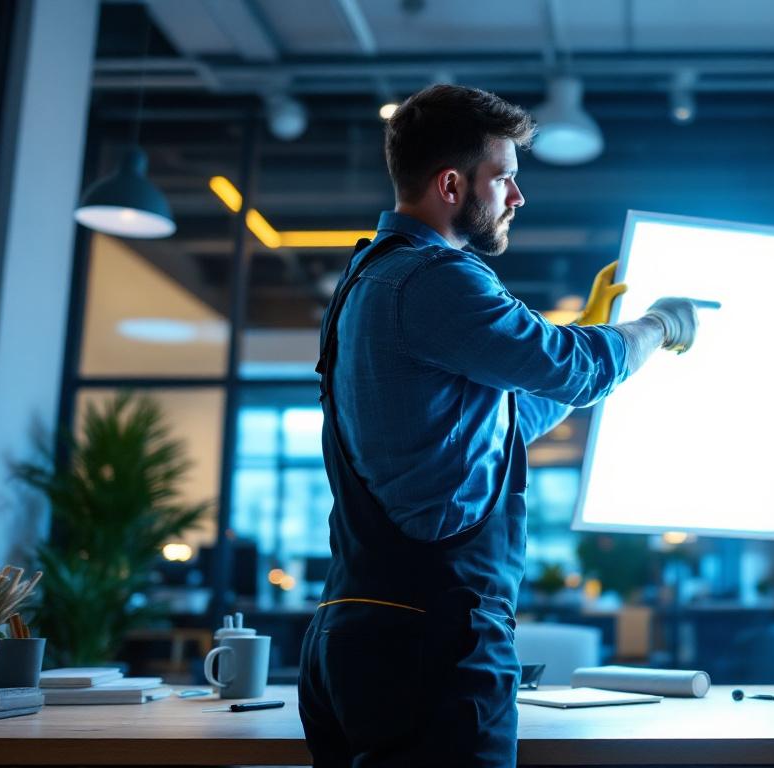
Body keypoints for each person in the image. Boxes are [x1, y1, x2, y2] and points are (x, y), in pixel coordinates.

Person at [297, 84, 701, 767]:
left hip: (358, 633)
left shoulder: (370, 277)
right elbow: (574, 369)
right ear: (451, 184)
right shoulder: (436, 279)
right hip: (432, 642)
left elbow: (506, 418)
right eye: (505, 179)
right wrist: (655, 326)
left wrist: (584, 350)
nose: (517, 198)